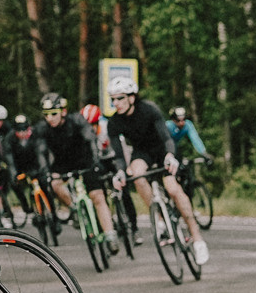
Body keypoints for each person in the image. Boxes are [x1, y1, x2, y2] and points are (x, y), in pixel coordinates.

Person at [104, 73, 209, 265]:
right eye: (113, 100)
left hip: (163, 149)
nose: (116, 103)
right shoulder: (114, 123)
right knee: (136, 174)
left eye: (120, 98)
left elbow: (167, 137)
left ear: (132, 97)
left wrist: (170, 155)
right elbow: (119, 155)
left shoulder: (149, 109)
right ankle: (160, 219)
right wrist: (120, 171)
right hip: (142, 153)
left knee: (173, 189)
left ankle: (198, 240)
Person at [38, 93, 116, 231]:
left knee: (97, 196)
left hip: (84, 160)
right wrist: (45, 171)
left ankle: (110, 234)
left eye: (54, 113)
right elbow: (41, 152)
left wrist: (96, 160)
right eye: (46, 114)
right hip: (63, 162)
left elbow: (90, 139)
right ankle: (73, 207)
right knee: (54, 183)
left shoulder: (76, 120)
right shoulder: (43, 129)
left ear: (63, 111)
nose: (50, 118)